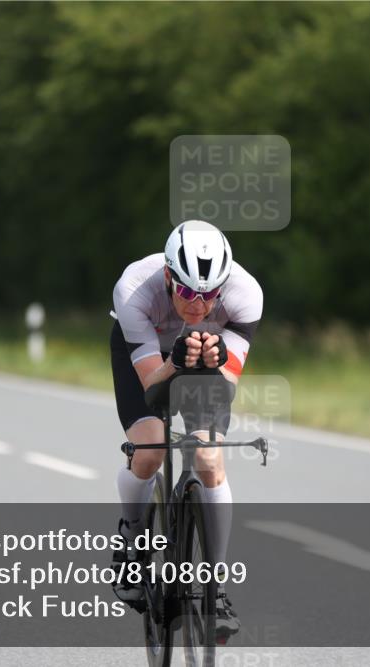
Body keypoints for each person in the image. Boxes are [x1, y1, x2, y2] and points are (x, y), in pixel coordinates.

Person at [109, 220, 263, 637]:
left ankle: (217, 585)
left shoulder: (246, 296)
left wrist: (212, 364)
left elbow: (224, 392)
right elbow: (153, 392)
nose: (199, 305)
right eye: (189, 293)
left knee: (209, 458)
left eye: (210, 294)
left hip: (205, 359)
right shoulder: (134, 290)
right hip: (149, 358)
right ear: (168, 278)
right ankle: (132, 539)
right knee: (151, 448)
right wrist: (175, 362)